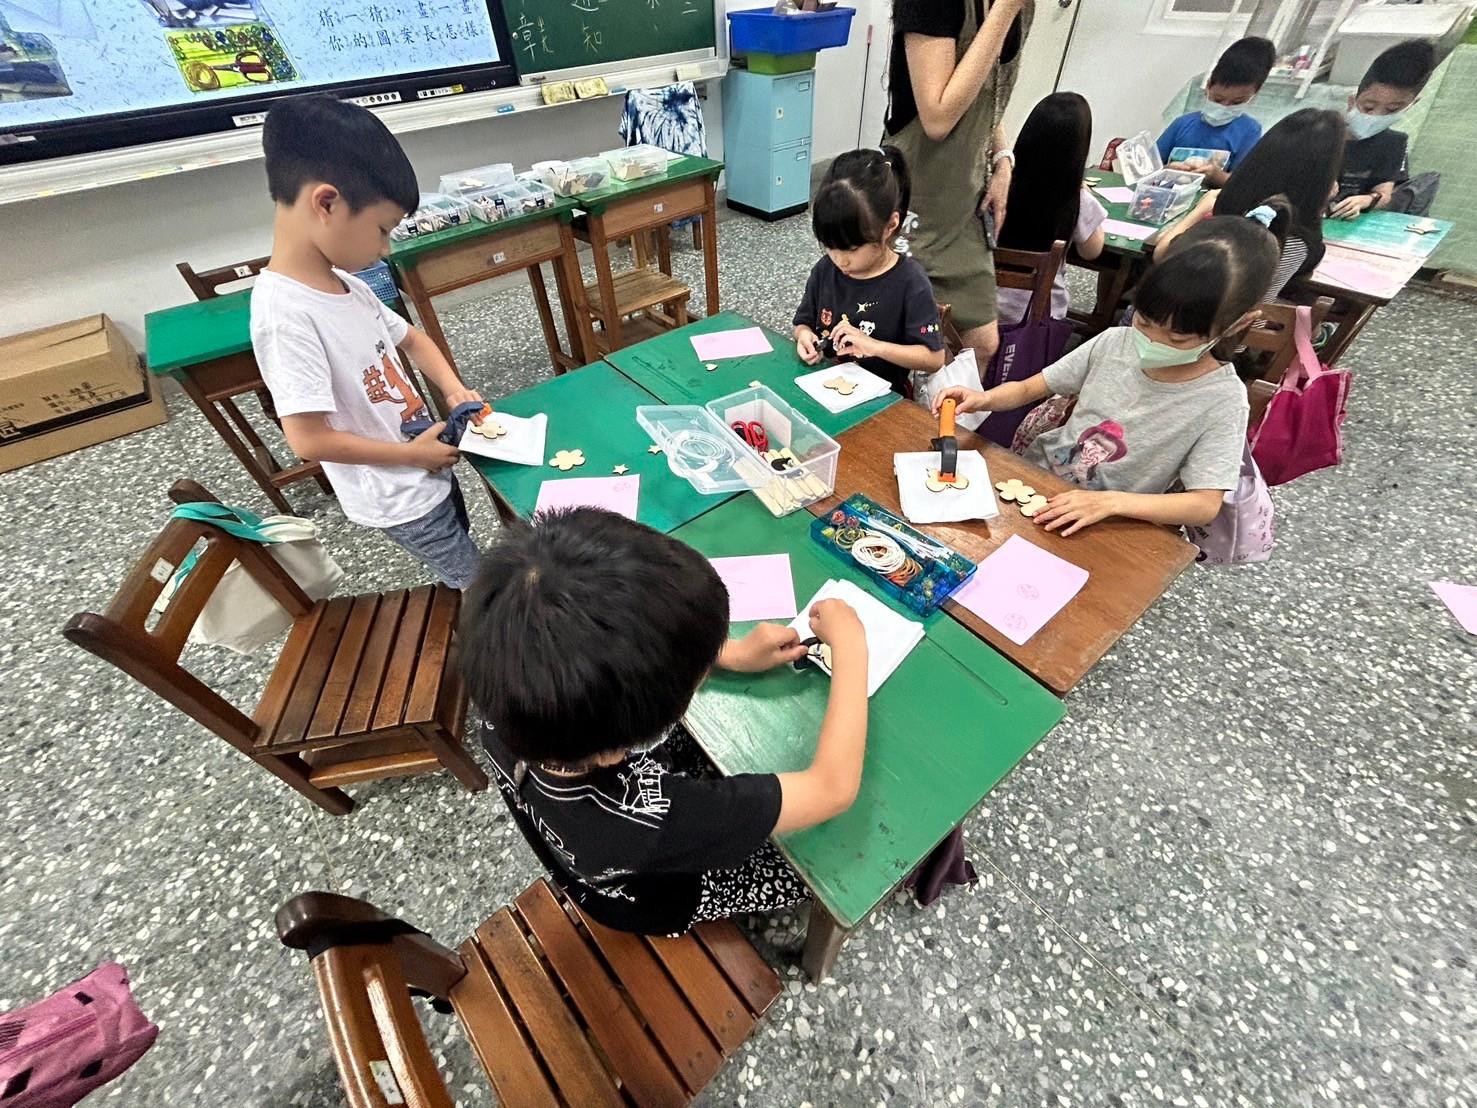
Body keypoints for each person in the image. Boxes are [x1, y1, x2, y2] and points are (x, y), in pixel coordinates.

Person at [458, 508, 869, 935]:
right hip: (651, 898)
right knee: (809, 873)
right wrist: (852, 648)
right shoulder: (650, 820)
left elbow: (607, 649)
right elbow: (832, 789)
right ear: (619, 747)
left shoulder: (507, 691)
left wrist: (724, 652)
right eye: (695, 676)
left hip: (581, 854)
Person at [250, 96, 486, 589]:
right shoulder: (286, 316)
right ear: (326, 203)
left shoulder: (346, 285)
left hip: (425, 465)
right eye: (382, 230)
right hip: (397, 495)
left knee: (467, 557)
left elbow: (414, 340)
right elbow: (307, 440)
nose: (384, 249)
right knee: (479, 585)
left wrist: (453, 390)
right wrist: (412, 457)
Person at [933, 214, 1279, 535]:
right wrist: (983, 398)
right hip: (1040, 477)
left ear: (1239, 324)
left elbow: (1203, 504)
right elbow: (1029, 388)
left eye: (1178, 338)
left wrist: (1109, 503)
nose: (1152, 341)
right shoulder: (1115, 342)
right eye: (1144, 322)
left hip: (1110, 520)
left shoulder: (1222, 400)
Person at [884, 0, 1032, 363]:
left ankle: (948, 401)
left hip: (967, 196)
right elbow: (937, 117)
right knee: (908, 341)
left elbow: (987, 89)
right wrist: (1005, 9)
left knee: (982, 343)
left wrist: (1002, 159)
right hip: (917, 195)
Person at [794, 147, 947, 395]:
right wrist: (804, 336)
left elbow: (934, 358)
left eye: (852, 249)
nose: (840, 260)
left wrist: (874, 346)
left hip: (883, 400)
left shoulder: (910, 282)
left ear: (890, 226)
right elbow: (803, 322)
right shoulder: (825, 270)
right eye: (830, 247)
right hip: (825, 388)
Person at [1157, 108, 1345, 300]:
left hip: (1192, 306)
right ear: (1323, 180)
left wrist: (1199, 211)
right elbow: (1260, 302)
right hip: (1233, 315)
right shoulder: (1297, 236)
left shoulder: (1233, 203)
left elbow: (1162, 254)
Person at [995, 91, 1106, 325]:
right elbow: (1092, 251)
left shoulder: (998, 186)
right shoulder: (1076, 199)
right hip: (1039, 316)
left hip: (984, 306)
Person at [1330, 39, 1437, 219]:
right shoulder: (1319, 133)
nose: (1376, 116)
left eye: (1392, 110)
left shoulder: (1393, 143)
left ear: (1410, 105)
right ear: (1352, 101)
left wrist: (1367, 200)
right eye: (1368, 107)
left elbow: (1384, 193)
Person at [1157, 36, 1277, 187]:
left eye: (1237, 102)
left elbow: (1241, 184)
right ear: (1208, 86)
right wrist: (1167, 170)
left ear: (1254, 96)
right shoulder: (1182, 124)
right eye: (1218, 99)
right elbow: (1149, 167)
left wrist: (1216, 176)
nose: (1225, 107)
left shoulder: (1250, 131)